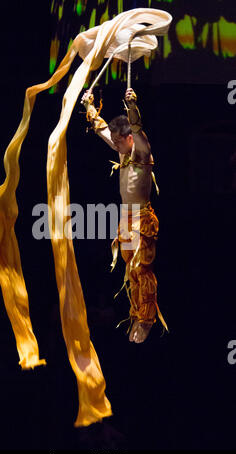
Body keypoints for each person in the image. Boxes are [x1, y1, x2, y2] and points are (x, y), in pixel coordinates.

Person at [80, 88, 168, 343]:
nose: (115, 145)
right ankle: (137, 313)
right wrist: (89, 106)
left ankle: (147, 319)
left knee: (143, 268)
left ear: (128, 138)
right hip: (126, 219)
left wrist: (131, 106)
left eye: (119, 141)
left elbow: (138, 129)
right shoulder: (122, 148)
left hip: (142, 219)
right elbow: (102, 130)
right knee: (131, 270)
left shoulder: (142, 152)